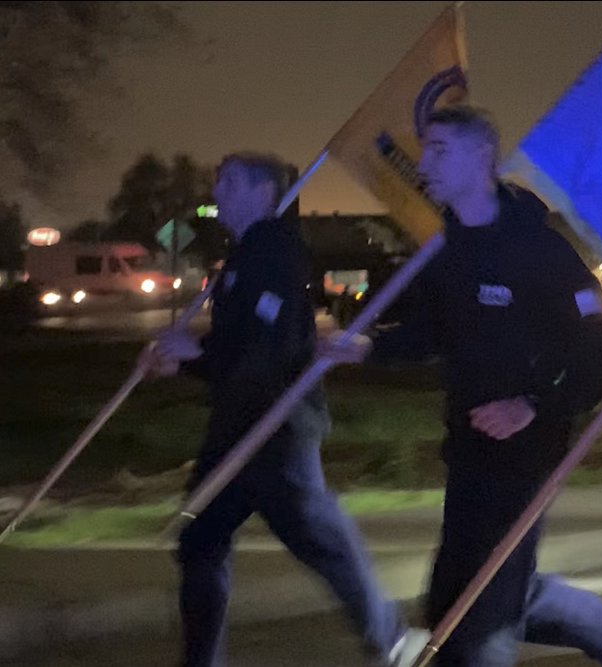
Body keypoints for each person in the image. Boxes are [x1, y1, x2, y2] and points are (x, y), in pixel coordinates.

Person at [325, 105, 602, 667]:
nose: (423, 162)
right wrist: (368, 347)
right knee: (466, 592)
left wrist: (534, 404)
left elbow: (596, 344)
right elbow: (435, 332)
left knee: (477, 619)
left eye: (439, 149)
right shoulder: (446, 252)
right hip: (470, 444)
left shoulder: (539, 248)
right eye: (425, 148)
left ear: (482, 157)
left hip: (530, 449)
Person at [141, 153, 411, 667]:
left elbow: (271, 347)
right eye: (218, 178)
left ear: (265, 194)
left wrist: (194, 354)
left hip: (276, 427)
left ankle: (389, 636)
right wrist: (185, 360)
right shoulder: (244, 255)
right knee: (201, 540)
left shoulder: (276, 253)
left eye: (231, 181)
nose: (218, 189)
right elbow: (235, 346)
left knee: (320, 540)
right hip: (238, 424)